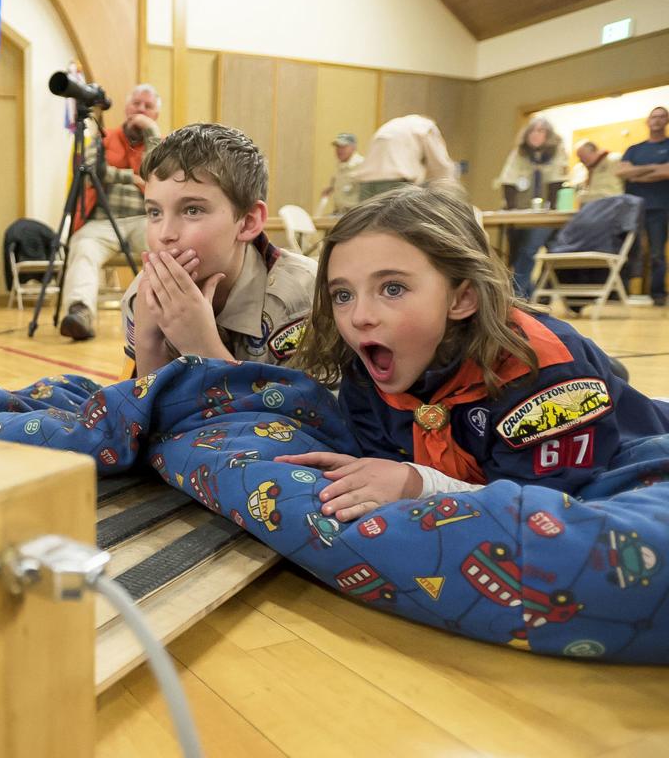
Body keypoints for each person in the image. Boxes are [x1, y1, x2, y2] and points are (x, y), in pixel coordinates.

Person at [281, 184, 669, 522]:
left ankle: (609, 374)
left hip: (622, 446)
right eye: (343, 295)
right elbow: (380, 460)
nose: (359, 317)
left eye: (393, 288)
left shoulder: (546, 374)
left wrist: (423, 484)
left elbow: (553, 506)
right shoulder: (368, 365)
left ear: (462, 297)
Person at [122, 123, 316, 378]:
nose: (165, 234)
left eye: (192, 210)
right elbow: (150, 413)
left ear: (248, 223)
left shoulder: (304, 297)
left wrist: (200, 345)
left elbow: (308, 415)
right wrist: (149, 342)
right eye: (154, 212)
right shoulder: (142, 296)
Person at [59, 83, 162, 341]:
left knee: (166, 248)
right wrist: (132, 178)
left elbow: (157, 176)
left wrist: (151, 133)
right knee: (82, 248)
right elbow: (94, 173)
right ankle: (80, 312)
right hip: (102, 222)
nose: (141, 109)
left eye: (148, 106)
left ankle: (170, 315)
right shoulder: (103, 137)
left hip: (143, 220)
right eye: (136, 103)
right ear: (127, 108)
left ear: (155, 114)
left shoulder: (158, 142)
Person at [497, 116, 569, 299]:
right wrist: (511, 211)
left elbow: (556, 182)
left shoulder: (557, 153)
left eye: (541, 131)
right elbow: (508, 180)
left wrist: (551, 210)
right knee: (515, 253)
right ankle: (528, 294)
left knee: (529, 250)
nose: (536, 135)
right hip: (518, 212)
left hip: (544, 215)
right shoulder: (518, 154)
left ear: (548, 135)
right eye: (533, 130)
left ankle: (517, 294)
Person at [617, 106, 669, 306]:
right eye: (653, 116)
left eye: (661, 116)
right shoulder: (634, 149)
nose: (657, 120)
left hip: (659, 207)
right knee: (628, 250)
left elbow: (667, 172)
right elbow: (621, 172)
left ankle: (658, 294)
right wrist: (655, 169)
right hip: (632, 209)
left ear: (666, 121)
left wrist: (636, 172)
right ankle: (622, 292)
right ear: (647, 121)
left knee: (656, 253)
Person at [355, 114, 457, 202]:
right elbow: (440, 164)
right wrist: (450, 193)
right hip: (396, 182)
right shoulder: (427, 127)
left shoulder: (394, 125)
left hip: (366, 183)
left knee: (364, 222)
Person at [319, 132, 363, 214]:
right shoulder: (340, 166)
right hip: (339, 213)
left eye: (343, 147)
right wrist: (331, 187)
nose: (339, 150)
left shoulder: (362, 165)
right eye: (337, 147)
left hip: (354, 214)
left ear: (353, 147)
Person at [574, 140, 625, 207]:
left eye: (582, 156)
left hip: (611, 207)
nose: (581, 160)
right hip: (588, 208)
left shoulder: (615, 160)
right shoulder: (580, 168)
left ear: (594, 151)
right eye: (579, 157)